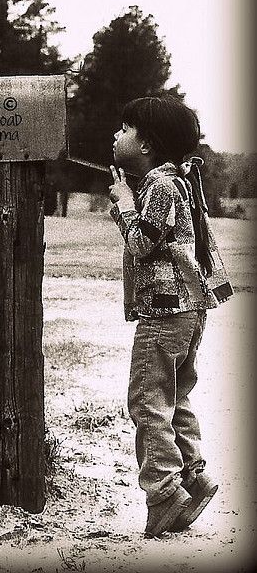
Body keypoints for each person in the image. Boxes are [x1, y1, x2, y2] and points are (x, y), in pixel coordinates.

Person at [108, 95, 233, 538]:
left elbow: (143, 242)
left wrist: (123, 201)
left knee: (146, 402)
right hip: (189, 310)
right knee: (174, 396)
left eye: (125, 128)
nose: (116, 134)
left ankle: (163, 495)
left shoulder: (160, 185)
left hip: (166, 312)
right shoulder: (172, 180)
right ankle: (195, 482)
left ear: (148, 144)